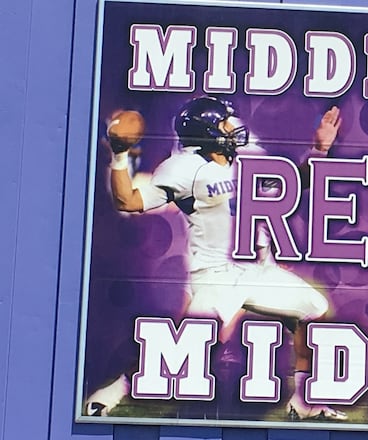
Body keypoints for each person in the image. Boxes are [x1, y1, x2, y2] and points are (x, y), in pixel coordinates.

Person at [84, 96, 347, 421]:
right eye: (224, 123)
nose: (232, 127)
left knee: (314, 312)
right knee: (182, 350)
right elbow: (127, 202)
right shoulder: (184, 168)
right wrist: (121, 155)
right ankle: (110, 394)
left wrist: (319, 149)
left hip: (258, 270)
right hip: (217, 276)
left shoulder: (247, 156)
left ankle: (304, 403)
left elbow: (291, 183)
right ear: (208, 132)